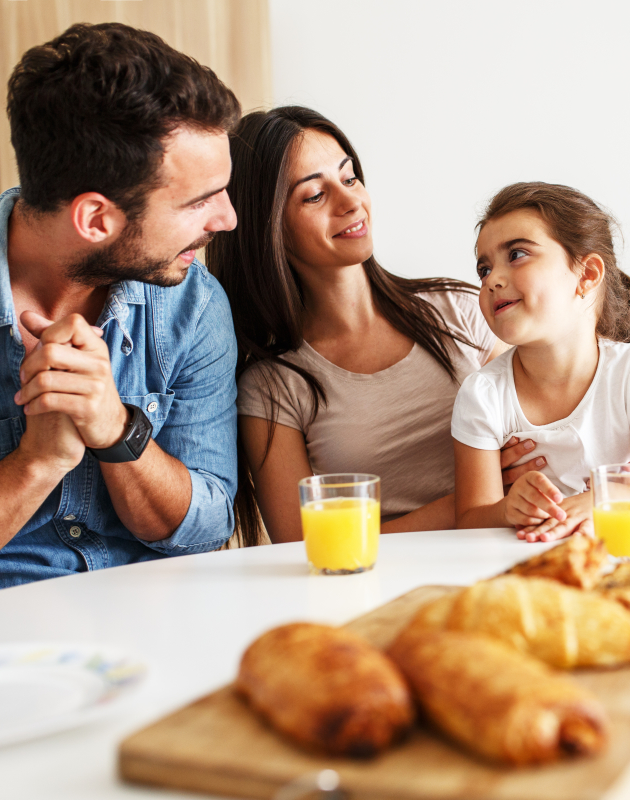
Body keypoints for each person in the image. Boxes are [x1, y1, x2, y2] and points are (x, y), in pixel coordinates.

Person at [0, 23, 241, 610]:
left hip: (156, 629)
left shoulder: (194, 304)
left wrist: (117, 430)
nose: (228, 218)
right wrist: (38, 462)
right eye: (198, 201)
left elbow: (210, 525)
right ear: (94, 218)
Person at [209, 107, 543, 545]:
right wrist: (469, 505)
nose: (351, 202)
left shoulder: (459, 310)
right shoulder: (274, 387)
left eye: (349, 178)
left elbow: (539, 441)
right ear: (268, 227)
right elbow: (302, 546)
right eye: (314, 195)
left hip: (514, 557)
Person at [452, 182, 630, 541]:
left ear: (586, 275)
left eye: (517, 254)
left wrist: (602, 501)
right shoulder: (482, 394)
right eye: (484, 269)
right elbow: (469, 521)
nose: (492, 280)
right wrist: (506, 510)